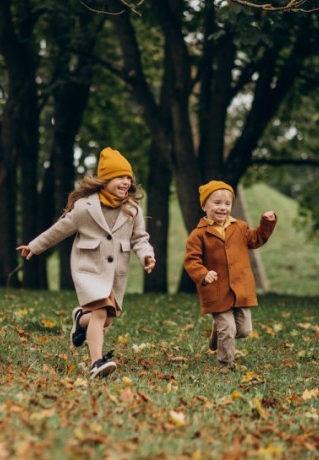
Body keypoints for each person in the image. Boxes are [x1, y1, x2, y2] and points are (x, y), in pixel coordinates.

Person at [17, 147, 156, 379]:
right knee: (101, 312)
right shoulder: (85, 208)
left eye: (127, 178)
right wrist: (35, 246)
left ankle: (80, 319)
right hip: (89, 269)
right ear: (105, 180)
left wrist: (146, 256)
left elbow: (140, 239)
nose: (125, 182)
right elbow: (59, 229)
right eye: (119, 177)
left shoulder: (133, 210)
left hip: (115, 273)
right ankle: (96, 362)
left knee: (107, 318)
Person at [184, 180, 277, 371]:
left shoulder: (240, 227)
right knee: (228, 328)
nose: (223, 208)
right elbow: (191, 260)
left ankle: (217, 334)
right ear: (204, 206)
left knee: (243, 330)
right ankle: (226, 363)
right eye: (217, 203)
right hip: (216, 290)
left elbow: (256, 239)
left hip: (240, 288)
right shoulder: (199, 234)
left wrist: (266, 223)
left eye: (227, 204)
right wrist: (203, 273)